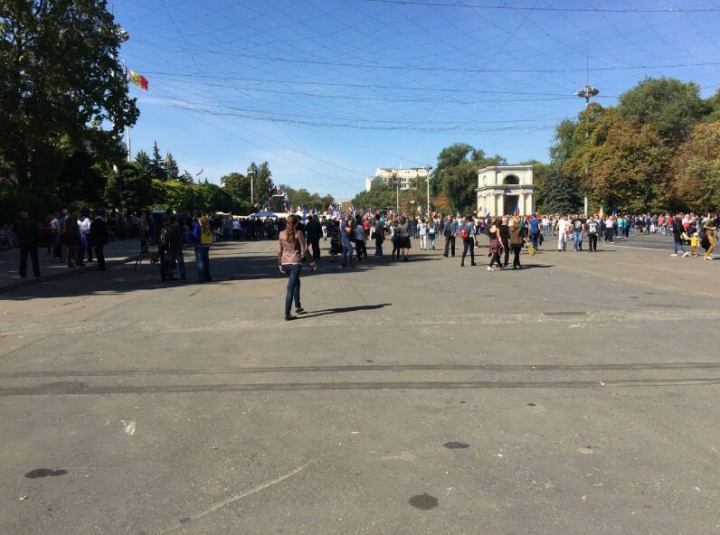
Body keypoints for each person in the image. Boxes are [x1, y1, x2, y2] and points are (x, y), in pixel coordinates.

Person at [278, 215, 317, 321]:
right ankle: (287, 313)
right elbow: (305, 250)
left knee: (296, 283)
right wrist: (312, 262)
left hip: (285, 263)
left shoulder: (281, 234)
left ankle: (298, 306)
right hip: (295, 263)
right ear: (296, 223)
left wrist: (280, 264)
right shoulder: (298, 233)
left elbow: (280, 251)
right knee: (290, 287)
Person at [15, 211, 41, 278]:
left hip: (23, 243)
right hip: (32, 242)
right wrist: (38, 241)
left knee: (23, 258)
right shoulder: (32, 222)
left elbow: (16, 233)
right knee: (34, 258)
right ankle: (36, 273)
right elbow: (37, 232)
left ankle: (22, 273)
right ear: (27, 216)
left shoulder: (18, 223)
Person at [191, 212, 213, 282]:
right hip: (207, 242)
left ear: (195, 216)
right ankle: (208, 277)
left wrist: (189, 239)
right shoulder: (205, 221)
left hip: (200, 243)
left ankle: (201, 278)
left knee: (200, 261)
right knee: (206, 261)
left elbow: (194, 234)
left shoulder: (197, 223)